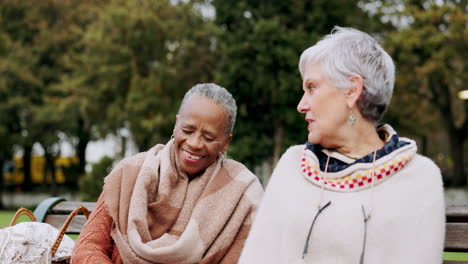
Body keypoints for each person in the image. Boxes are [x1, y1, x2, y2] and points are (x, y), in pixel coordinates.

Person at [239, 27, 445, 264]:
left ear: (352, 90)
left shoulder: (418, 178)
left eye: (312, 87)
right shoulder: (293, 164)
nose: (301, 105)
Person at [71, 83, 263, 264]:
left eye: (209, 137)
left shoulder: (242, 193)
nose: (195, 143)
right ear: (176, 124)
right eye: (187, 130)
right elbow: (88, 247)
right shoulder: (129, 174)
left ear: (226, 142)